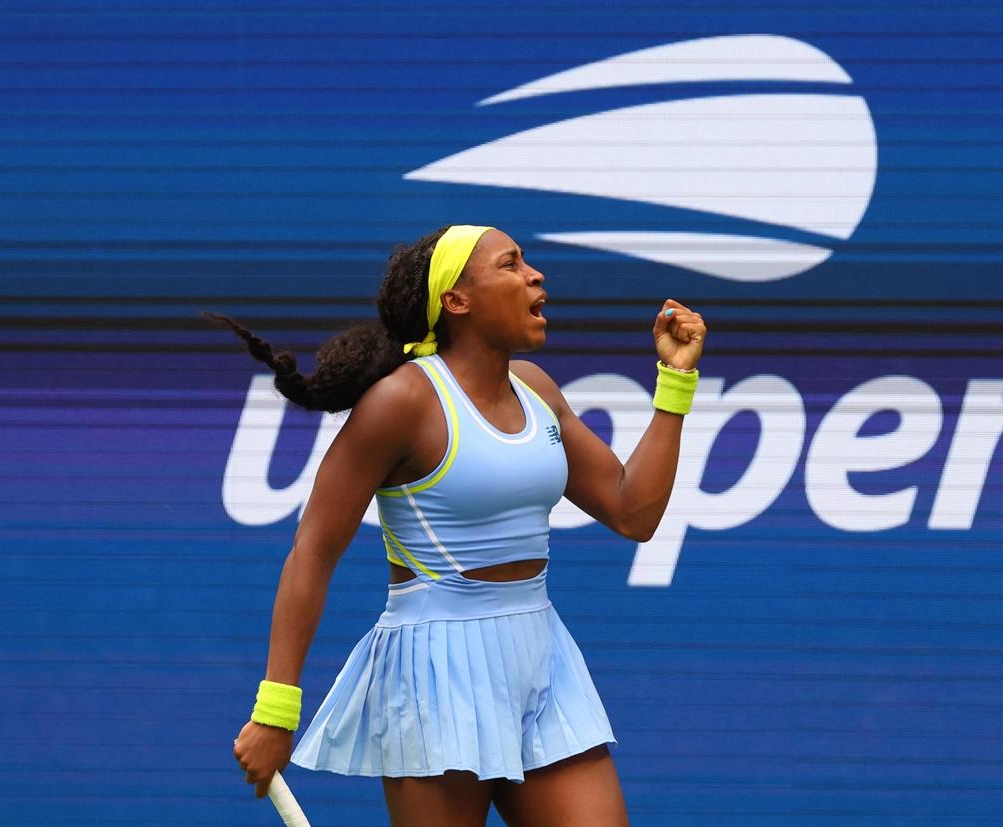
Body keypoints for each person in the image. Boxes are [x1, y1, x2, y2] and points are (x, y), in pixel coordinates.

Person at [212, 225, 706, 827]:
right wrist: (276, 710)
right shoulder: (401, 403)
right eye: (511, 264)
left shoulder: (537, 389)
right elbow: (312, 552)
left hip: (541, 657)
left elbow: (634, 511)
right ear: (457, 301)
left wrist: (675, 383)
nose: (535, 274)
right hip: (434, 673)